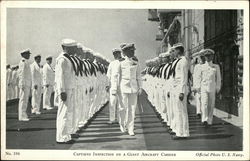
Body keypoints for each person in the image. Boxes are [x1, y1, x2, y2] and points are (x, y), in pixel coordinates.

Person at [112, 43, 142, 136]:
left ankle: (130, 128)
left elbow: (138, 76)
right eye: (131, 50)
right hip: (123, 87)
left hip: (133, 88)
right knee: (122, 108)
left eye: (133, 50)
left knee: (132, 109)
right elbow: (115, 76)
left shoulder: (136, 62)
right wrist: (114, 88)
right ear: (125, 52)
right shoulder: (120, 62)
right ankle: (122, 125)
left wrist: (140, 87)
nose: (133, 52)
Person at [55, 39, 77, 144]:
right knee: (63, 113)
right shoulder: (62, 59)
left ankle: (66, 135)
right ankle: (61, 137)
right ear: (67, 48)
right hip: (65, 90)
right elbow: (59, 77)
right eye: (73, 48)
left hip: (70, 88)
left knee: (68, 112)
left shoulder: (68, 59)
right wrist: (62, 91)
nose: (74, 49)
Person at [196, 49, 221, 126]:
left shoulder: (216, 67)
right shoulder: (201, 67)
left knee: (211, 104)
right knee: (204, 103)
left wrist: (218, 88)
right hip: (204, 87)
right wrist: (198, 87)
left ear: (212, 57)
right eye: (206, 56)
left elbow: (218, 78)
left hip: (212, 87)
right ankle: (204, 119)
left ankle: (210, 120)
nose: (207, 57)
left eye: (209, 56)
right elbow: (198, 78)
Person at [171, 43, 189, 139]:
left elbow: (183, 77)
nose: (173, 53)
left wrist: (182, 91)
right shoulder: (176, 61)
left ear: (178, 50)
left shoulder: (183, 61)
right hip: (175, 88)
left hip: (180, 89)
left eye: (174, 51)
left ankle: (182, 133)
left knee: (181, 111)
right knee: (177, 111)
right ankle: (179, 131)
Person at [106, 48, 122, 125]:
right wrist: (107, 85)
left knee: (120, 103)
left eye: (117, 53)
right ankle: (112, 119)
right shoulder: (111, 64)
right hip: (113, 86)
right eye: (115, 54)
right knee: (112, 103)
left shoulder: (123, 62)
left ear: (120, 53)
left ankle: (120, 119)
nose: (116, 55)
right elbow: (108, 75)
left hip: (121, 85)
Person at [18, 49, 32, 121]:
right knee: (23, 100)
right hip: (24, 84)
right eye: (27, 54)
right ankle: (21, 116)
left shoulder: (26, 62)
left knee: (25, 100)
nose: (29, 55)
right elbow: (21, 74)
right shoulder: (23, 62)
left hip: (27, 84)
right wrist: (22, 84)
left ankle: (24, 114)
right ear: (23, 55)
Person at [192, 50, 205, 119]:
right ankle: (198, 112)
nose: (202, 58)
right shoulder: (197, 66)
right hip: (198, 85)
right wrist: (194, 87)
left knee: (204, 99)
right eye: (201, 57)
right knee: (199, 98)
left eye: (203, 57)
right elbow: (195, 76)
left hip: (204, 85)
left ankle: (203, 112)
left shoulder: (206, 65)